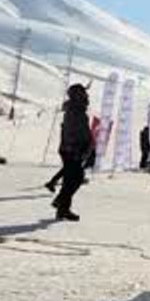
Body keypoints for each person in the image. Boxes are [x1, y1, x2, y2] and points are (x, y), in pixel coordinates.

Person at [52, 84, 91, 221]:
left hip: (73, 149)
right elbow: (70, 131)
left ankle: (62, 205)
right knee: (75, 178)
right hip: (72, 150)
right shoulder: (74, 110)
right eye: (83, 93)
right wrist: (76, 148)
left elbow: (82, 130)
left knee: (72, 179)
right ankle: (62, 205)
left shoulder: (77, 109)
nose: (86, 96)